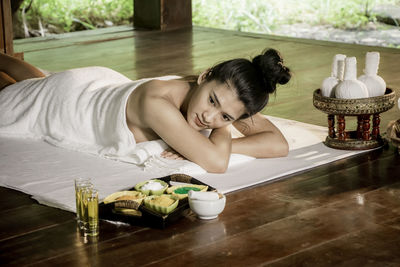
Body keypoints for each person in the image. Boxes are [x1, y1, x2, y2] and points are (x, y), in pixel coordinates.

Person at [0, 48, 291, 173]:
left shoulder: (220, 95)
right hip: (68, 105)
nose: (209, 117)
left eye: (225, 116)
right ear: (204, 75)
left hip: (101, 85)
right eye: (212, 101)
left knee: (39, 81)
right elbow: (216, 162)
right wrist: (223, 128)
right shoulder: (158, 104)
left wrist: (221, 136)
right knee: (14, 93)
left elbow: (278, 144)